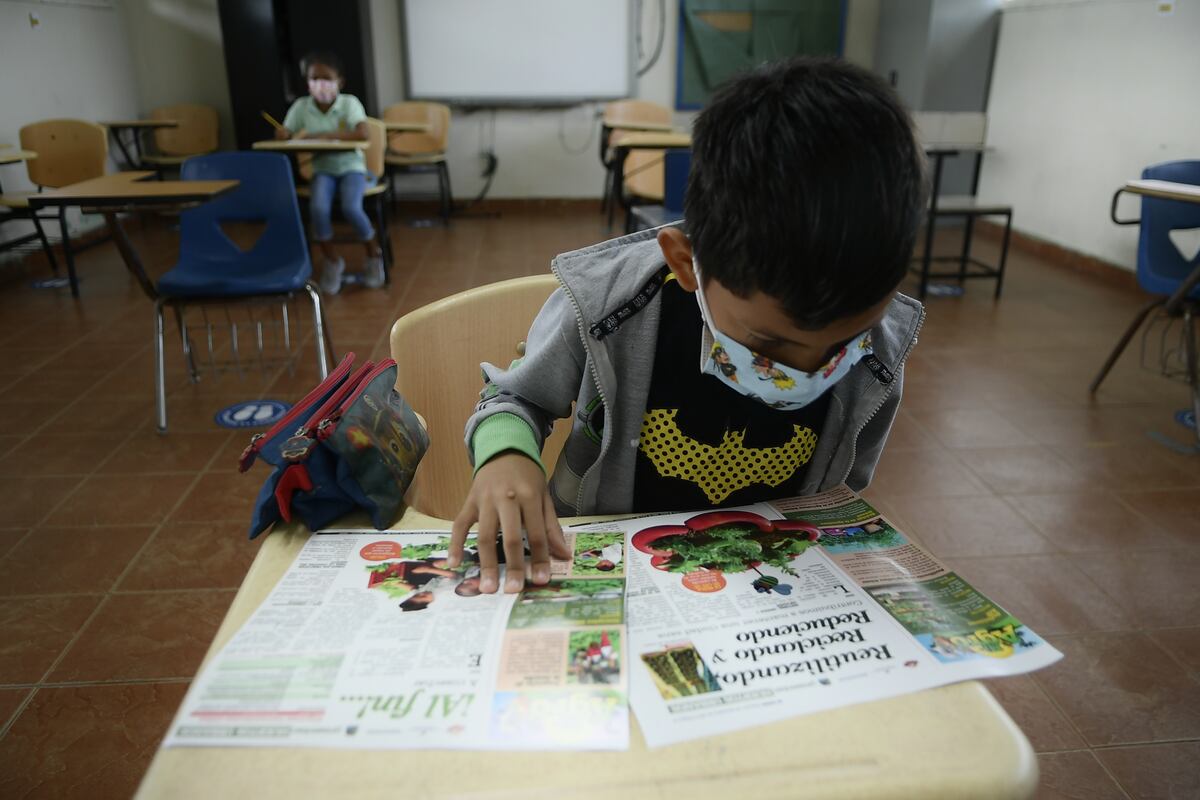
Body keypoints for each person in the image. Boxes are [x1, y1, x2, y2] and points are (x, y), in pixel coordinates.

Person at [449, 57, 927, 594]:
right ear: (684, 262)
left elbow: (838, 496)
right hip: (614, 560)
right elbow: (514, 399)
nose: (811, 368)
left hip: (763, 577)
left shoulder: (880, 350)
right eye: (768, 344)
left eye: (844, 342)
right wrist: (507, 456)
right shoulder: (608, 310)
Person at [277, 50, 384, 294]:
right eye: (314, 79)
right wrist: (282, 133)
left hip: (352, 168)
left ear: (340, 82)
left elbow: (363, 133)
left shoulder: (349, 103)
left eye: (326, 78)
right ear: (308, 82)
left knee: (351, 207)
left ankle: (373, 255)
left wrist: (321, 135)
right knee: (318, 209)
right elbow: (286, 131)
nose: (320, 84)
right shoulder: (301, 107)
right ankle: (333, 261)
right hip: (323, 170)